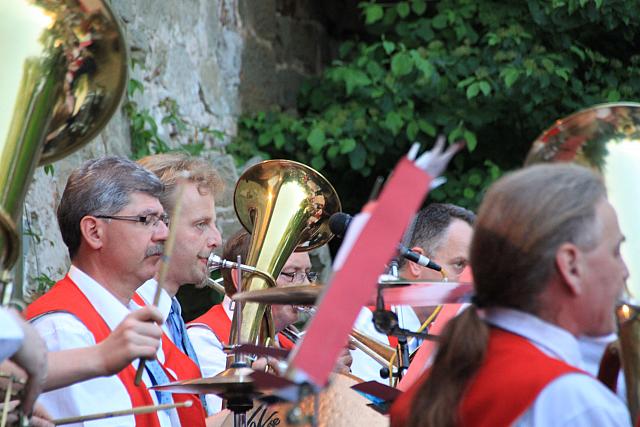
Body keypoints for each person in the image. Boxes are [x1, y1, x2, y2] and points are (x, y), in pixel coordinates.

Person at [391, 163, 630, 426]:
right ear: (571, 265)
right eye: (616, 252)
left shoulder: (434, 382)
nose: (625, 271)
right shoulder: (576, 405)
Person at [25, 156, 178, 427]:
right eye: (146, 220)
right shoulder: (63, 330)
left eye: (163, 219)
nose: (164, 233)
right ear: (94, 232)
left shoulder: (131, 315)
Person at [187, 229, 338, 413]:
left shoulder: (287, 339)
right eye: (290, 274)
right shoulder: (204, 338)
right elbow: (223, 419)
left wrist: (333, 381)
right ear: (241, 279)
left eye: (308, 273)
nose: (306, 285)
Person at [135, 153, 223, 421]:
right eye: (201, 225)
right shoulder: (132, 317)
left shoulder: (172, 312)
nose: (217, 240)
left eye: (214, 224)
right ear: (159, 228)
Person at [350, 203, 475, 382]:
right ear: (417, 263)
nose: (468, 280)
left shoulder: (444, 331)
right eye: (459, 265)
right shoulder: (367, 323)